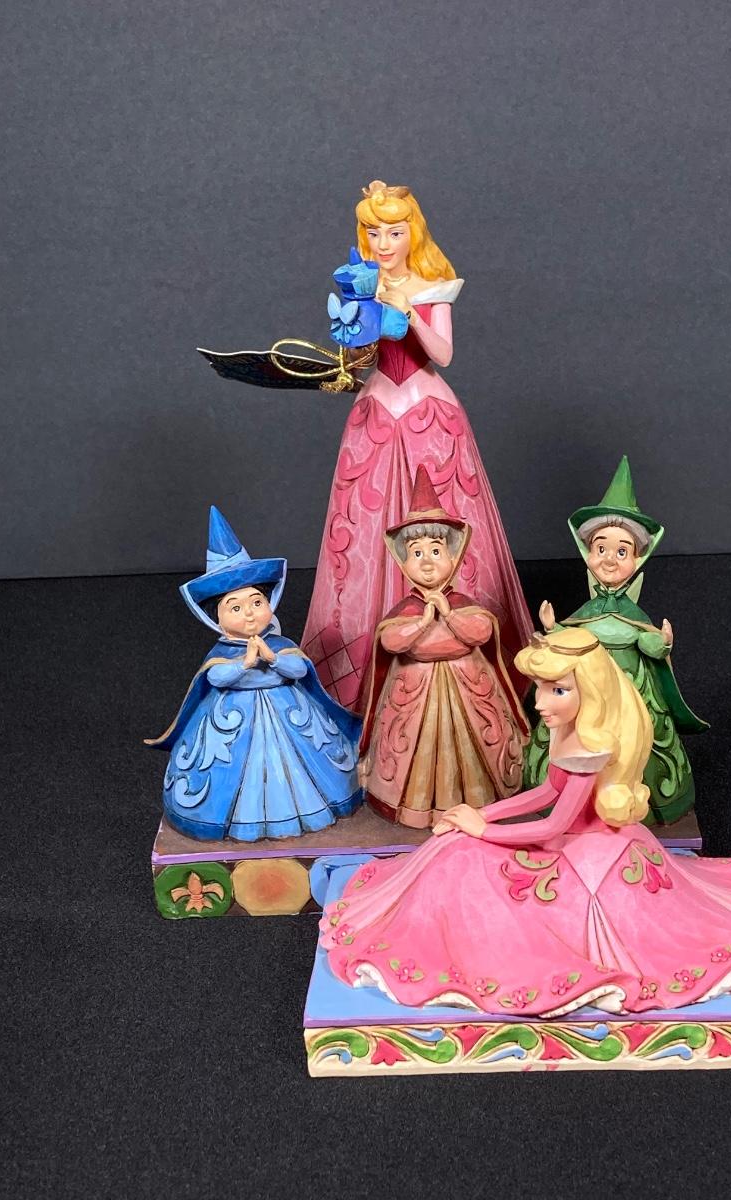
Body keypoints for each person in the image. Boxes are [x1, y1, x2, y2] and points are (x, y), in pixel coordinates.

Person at [320, 627, 731, 1018]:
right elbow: (545, 793)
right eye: (541, 688)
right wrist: (480, 813)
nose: (541, 702)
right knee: (452, 851)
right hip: (565, 842)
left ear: (590, 693)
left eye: (557, 690)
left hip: (587, 852)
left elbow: (551, 827)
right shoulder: (567, 732)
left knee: (468, 859)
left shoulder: (589, 749)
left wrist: (482, 830)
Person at [300, 180, 532, 709]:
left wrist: (406, 316)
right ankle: (368, 664)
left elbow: (443, 354)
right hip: (377, 411)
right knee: (365, 525)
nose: (383, 243)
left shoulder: (434, 286)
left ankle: (464, 648)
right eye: (373, 232)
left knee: (448, 515)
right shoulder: (361, 285)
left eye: (394, 232)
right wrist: (349, 342)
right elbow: (360, 358)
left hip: (429, 413)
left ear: (413, 234)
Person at [147, 507, 362, 840]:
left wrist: (273, 659)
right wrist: (244, 664)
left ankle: (311, 808)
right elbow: (216, 678)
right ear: (217, 618)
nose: (249, 614)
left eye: (256, 602)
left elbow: (299, 668)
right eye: (235, 607)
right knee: (231, 771)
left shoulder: (279, 644)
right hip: (232, 718)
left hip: (289, 710)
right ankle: (236, 820)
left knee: (308, 763)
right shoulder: (222, 653)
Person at [524, 456, 707, 824]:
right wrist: (553, 629)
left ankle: (632, 802)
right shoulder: (587, 611)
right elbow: (574, 640)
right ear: (588, 554)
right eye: (601, 549)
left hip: (631, 686)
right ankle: (567, 801)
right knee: (574, 732)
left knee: (636, 737)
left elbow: (645, 643)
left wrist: (661, 643)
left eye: (622, 551)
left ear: (637, 559)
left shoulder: (633, 615)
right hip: (585, 687)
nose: (609, 560)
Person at [359, 465, 529, 829]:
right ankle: (415, 807)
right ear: (403, 562)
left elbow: (480, 632)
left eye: (436, 550)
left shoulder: (463, 604)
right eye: (416, 552)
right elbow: (390, 640)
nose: (427, 561)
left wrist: (448, 614)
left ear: (454, 556)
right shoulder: (406, 610)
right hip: (412, 693)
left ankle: (479, 802)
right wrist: (423, 622)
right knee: (412, 751)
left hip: (470, 688)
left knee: (474, 747)